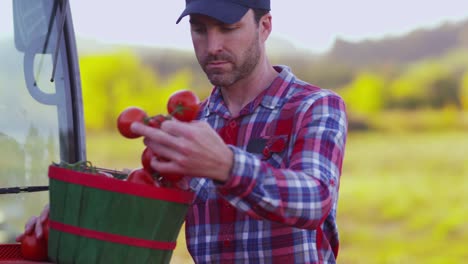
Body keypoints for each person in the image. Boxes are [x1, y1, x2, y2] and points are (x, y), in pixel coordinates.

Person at [18, 0, 348, 263]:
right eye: (199, 29)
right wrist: (78, 212)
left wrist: (226, 166)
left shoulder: (315, 106)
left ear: (265, 26)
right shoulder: (191, 123)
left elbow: (314, 200)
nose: (212, 45)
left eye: (228, 28)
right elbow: (148, 204)